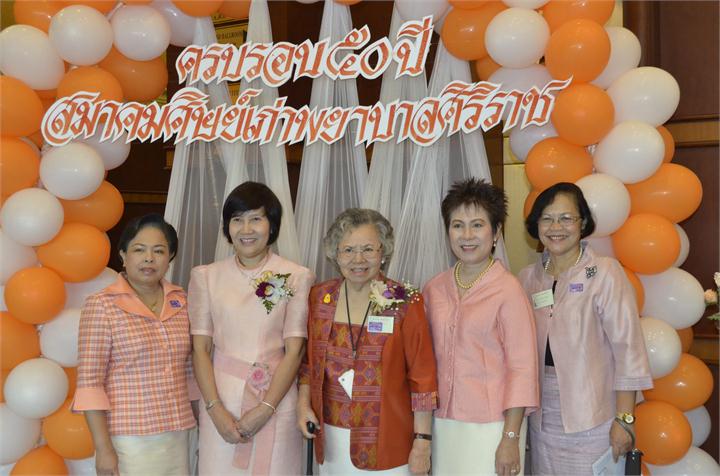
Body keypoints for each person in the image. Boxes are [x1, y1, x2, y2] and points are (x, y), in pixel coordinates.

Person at [518, 182, 652, 475]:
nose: (556, 227)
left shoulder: (605, 272)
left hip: (595, 416)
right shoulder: (527, 279)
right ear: (536, 225)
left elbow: (628, 349)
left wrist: (625, 419)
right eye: (547, 218)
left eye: (566, 218)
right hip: (541, 416)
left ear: (583, 223)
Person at [296, 208, 437, 475]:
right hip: (330, 439)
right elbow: (307, 365)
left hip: (387, 443)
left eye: (368, 249)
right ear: (336, 254)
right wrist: (303, 406)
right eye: (348, 250)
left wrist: (422, 442)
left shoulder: (405, 302)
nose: (358, 259)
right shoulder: (319, 298)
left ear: (383, 252)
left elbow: (423, 377)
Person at [188, 181, 314, 475]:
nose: (246, 229)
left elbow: (295, 352)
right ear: (227, 227)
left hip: (276, 398)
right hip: (220, 399)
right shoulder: (206, 276)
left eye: (256, 218)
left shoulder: (296, 276)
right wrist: (215, 409)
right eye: (237, 220)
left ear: (272, 225)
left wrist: (266, 408)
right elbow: (200, 349)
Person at [423, 178, 539, 476]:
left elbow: (522, 368)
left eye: (477, 225)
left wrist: (510, 438)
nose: (467, 235)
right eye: (457, 225)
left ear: (496, 232)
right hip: (443, 423)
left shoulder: (508, 290)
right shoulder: (434, 288)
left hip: (493, 427)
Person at [74, 214, 196, 475]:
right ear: (123, 255)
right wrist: (103, 448)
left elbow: (188, 370)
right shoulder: (102, 304)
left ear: (170, 256)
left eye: (159, 251)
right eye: (139, 250)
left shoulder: (181, 300)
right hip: (129, 437)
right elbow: (90, 382)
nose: (149, 258)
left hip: (178, 431)